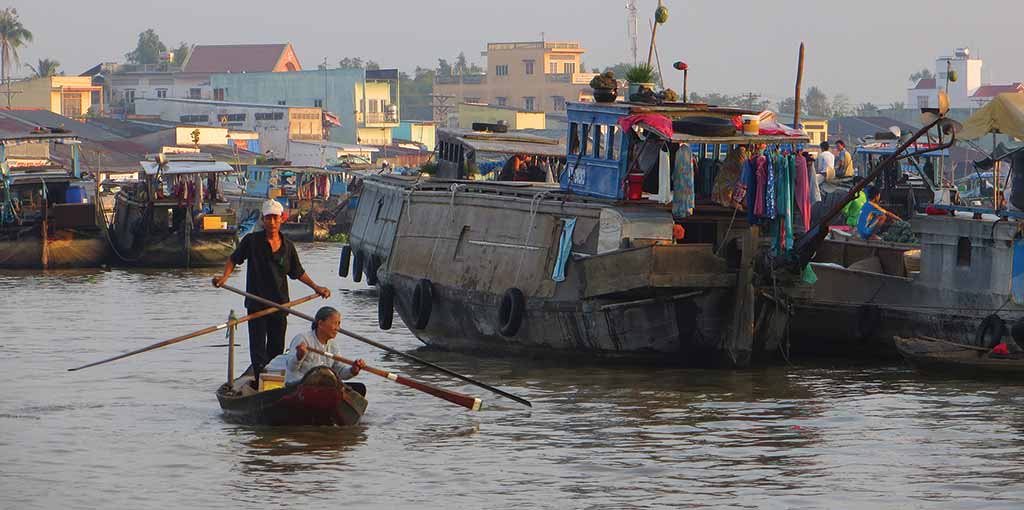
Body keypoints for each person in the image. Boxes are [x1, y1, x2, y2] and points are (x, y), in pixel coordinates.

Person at [213, 199, 331, 379]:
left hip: (280, 305)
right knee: (258, 351)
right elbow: (233, 259)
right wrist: (224, 278)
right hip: (256, 305)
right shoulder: (252, 242)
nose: (272, 222)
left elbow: (297, 272)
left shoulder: (288, 246)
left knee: (276, 349)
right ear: (263, 220)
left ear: (281, 219)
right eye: (268, 218)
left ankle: (274, 381)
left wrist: (317, 287)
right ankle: (261, 380)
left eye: (275, 218)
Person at [285, 306, 367, 394]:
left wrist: (353, 370)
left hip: (321, 387)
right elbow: (291, 368)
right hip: (299, 387)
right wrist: (299, 356)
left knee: (359, 389)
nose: (337, 328)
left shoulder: (333, 345)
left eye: (339, 324)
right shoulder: (303, 339)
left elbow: (340, 372)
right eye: (335, 323)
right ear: (320, 324)